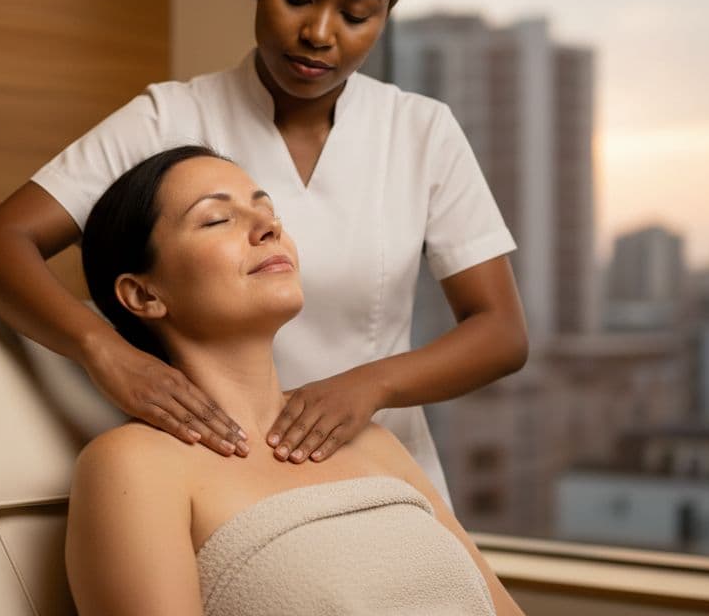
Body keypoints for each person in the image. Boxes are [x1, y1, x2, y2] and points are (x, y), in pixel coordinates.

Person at [0, 0, 527, 503]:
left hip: (387, 473)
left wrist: (371, 385)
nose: (320, 33)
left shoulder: (421, 131)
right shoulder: (169, 117)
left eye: (357, 13)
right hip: (219, 477)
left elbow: (500, 331)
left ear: (386, 15)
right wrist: (105, 352)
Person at [65, 146, 525, 615]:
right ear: (143, 294)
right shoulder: (135, 464)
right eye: (217, 219)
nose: (270, 227)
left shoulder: (373, 442)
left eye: (267, 210)